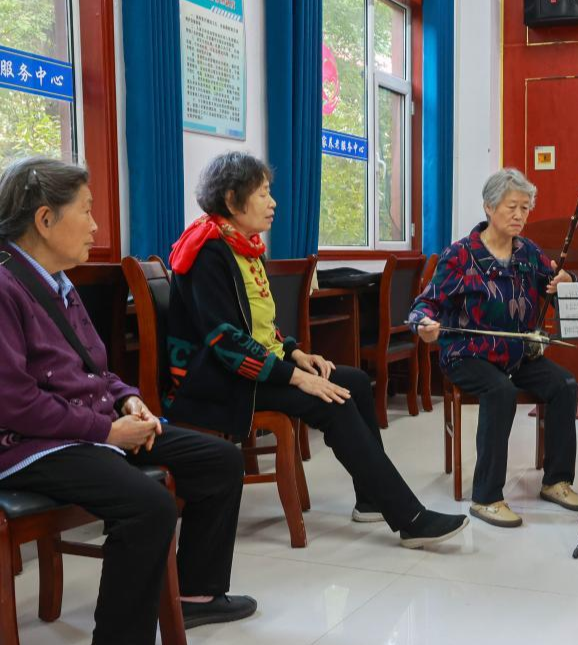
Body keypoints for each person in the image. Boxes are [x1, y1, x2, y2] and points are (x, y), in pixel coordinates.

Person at [0, 157, 254, 645]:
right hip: (28, 444)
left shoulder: (59, 282)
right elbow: (13, 402)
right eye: (87, 211)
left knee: (220, 460)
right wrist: (105, 432)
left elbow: (96, 367)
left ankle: (197, 596)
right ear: (45, 220)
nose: (96, 226)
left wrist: (127, 402)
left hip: (86, 425)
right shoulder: (6, 285)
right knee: (149, 506)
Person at [165, 151, 467, 549]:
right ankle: (409, 517)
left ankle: (371, 498)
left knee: (355, 382)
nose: (273, 203)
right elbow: (226, 342)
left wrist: (294, 354)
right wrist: (297, 378)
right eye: (263, 194)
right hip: (216, 381)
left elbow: (258, 325)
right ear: (232, 199)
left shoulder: (240, 245)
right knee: (332, 401)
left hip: (250, 369)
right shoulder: (207, 252)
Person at [410, 168, 578, 528]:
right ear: (489, 207)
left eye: (525, 208)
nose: (520, 215)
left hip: (517, 354)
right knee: (499, 391)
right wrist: (424, 326)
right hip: (467, 354)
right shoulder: (460, 255)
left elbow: (558, 296)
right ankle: (486, 496)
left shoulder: (529, 253)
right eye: (512, 207)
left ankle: (556, 480)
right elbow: (426, 304)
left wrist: (566, 284)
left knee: (564, 385)